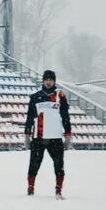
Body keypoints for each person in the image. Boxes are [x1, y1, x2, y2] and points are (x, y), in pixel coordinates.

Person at [24, 69, 72, 198]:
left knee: (59, 165)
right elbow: (29, 117)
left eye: (51, 80)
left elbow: (65, 116)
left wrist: (68, 135)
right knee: (33, 164)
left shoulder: (60, 96)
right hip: (38, 137)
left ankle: (58, 190)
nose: (49, 82)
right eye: (46, 79)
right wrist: (27, 134)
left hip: (55, 138)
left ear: (54, 81)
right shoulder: (35, 97)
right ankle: (30, 188)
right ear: (43, 80)